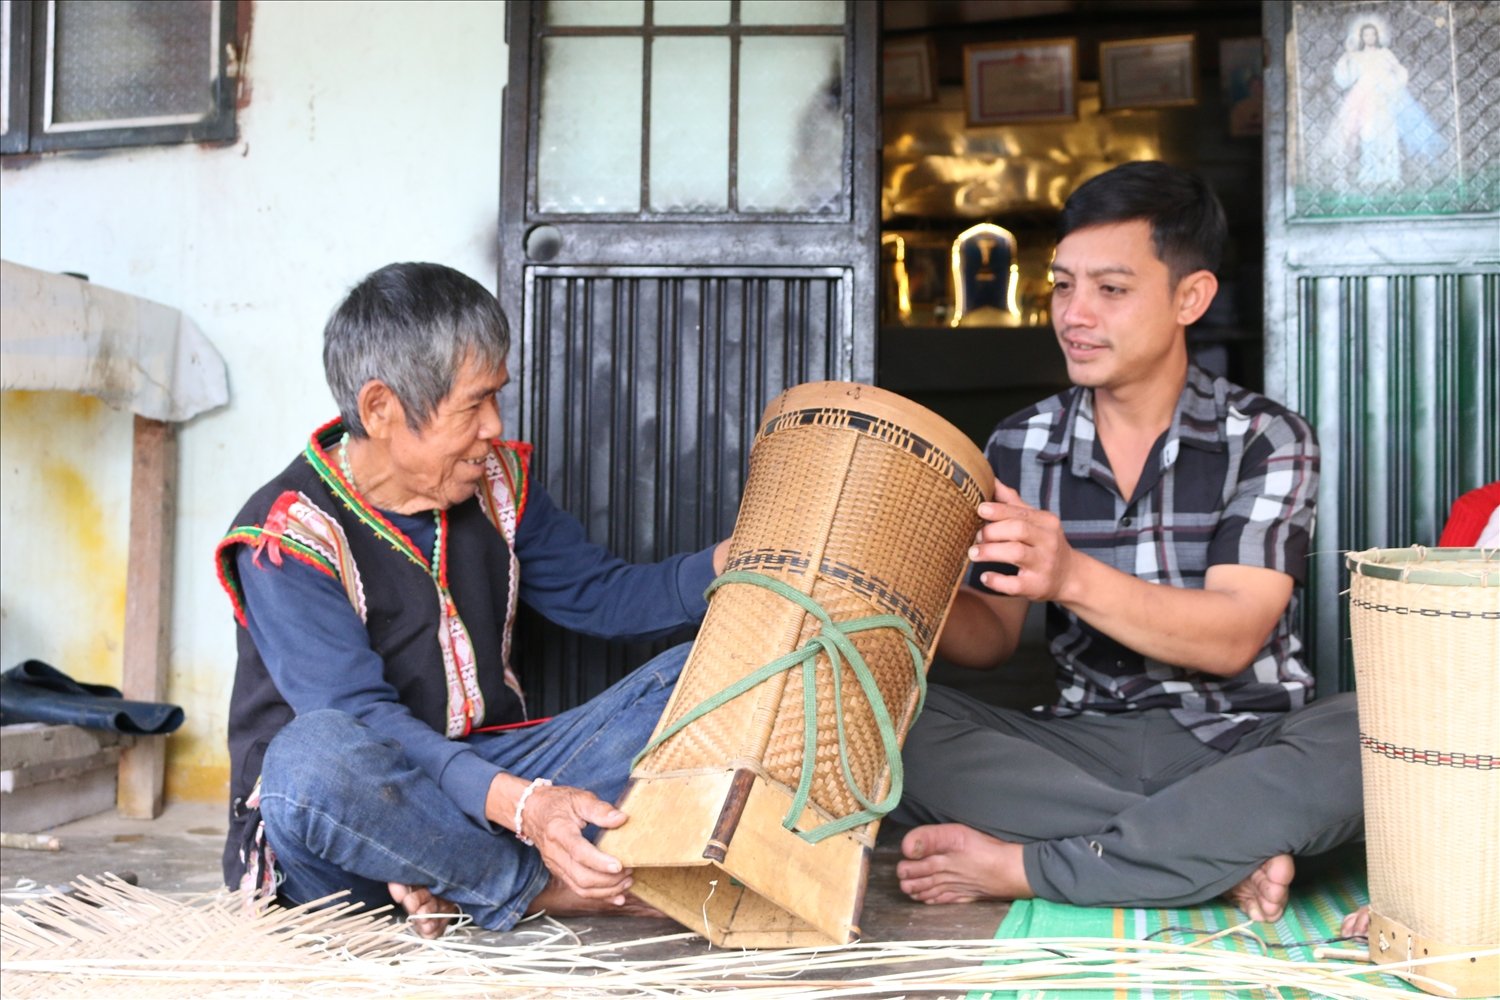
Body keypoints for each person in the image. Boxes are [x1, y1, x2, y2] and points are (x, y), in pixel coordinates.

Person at [893, 161, 1363, 924]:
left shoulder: (1266, 437)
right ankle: (1213, 850)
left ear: (1191, 297)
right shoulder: (1021, 442)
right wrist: (895, 583)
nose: (1074, 314)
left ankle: (1032, 864)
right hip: (1082, 743)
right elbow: (990, 639)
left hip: (1242, 741)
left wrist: (1070, 575)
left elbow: (1232, 638)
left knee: (1370, 737)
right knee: (875, 714)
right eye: (1063, 284)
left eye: (1110, 290)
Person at [217, 262, 727, 936]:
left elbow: (600, 595)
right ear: (380, 409)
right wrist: (524, 810)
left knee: (715, 671)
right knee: (311, 760)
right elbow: (360, 719)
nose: (493, 426)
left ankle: (453, 878)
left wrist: (729, 565)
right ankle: (531, 885)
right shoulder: (286, 535)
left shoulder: (496, 482)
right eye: (473, 404)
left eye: (497, 398)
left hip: (491, 777)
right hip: (361, 808)